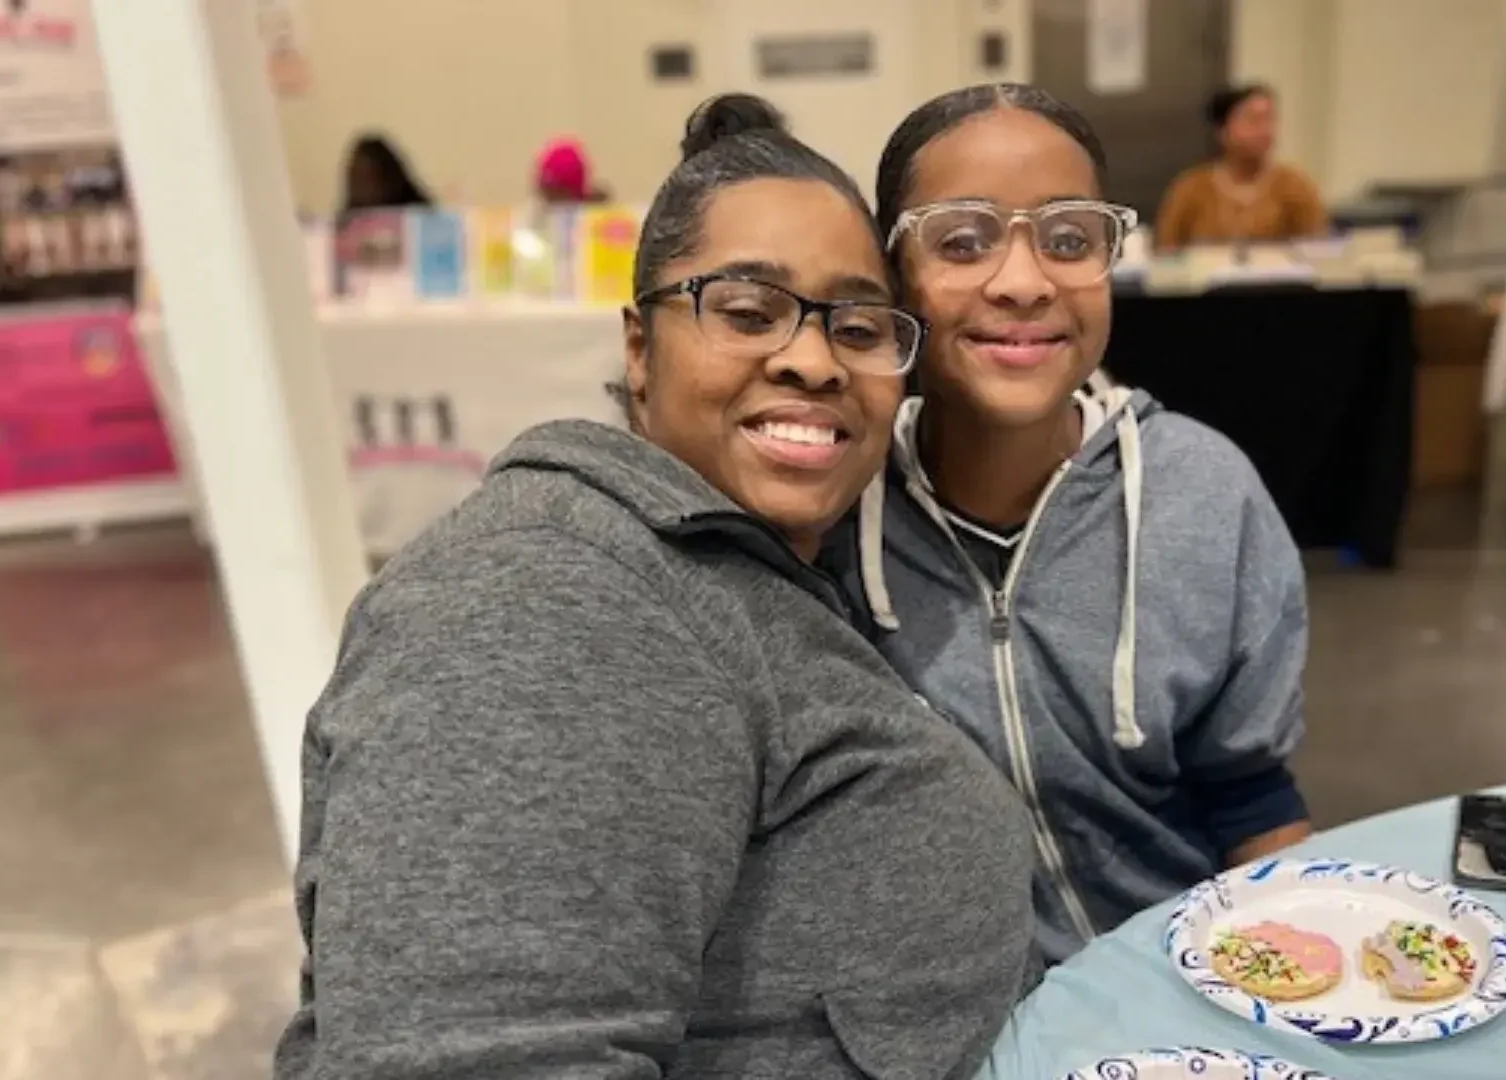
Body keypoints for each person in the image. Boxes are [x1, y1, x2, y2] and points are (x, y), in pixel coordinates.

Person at [274, 93, 1035, 1080]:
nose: (810, 359)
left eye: (857, 327)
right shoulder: (546, 597)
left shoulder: (734, 561)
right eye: (749, 312)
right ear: (640, 350)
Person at [841, 83, 1313, 965]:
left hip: (1174, 989)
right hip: (939, 1020)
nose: (1023, 282)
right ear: (891, 274)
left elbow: (1249, 793)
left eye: (1068, 240)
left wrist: (1295, 989)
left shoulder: (1204, 492)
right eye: (961, 241)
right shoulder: (833, 507)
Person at [1152, 82, 1327, 250]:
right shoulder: (1191, 188)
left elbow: (1315, 250)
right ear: (1222, 130)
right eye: (1253, 120)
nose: (1264, 130)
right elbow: (1166, 250)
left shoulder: (1296, 187)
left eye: (1269, 119)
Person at [339, 133, 433, 214]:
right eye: (359, 180)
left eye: (370, 177)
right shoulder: (346, 223)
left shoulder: (419, 215)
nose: (365, 189)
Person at [533, 136, 610, 204]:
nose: (550, 203)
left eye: (558, 194)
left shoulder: (601, 218)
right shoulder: (537, 217)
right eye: (545, 194)